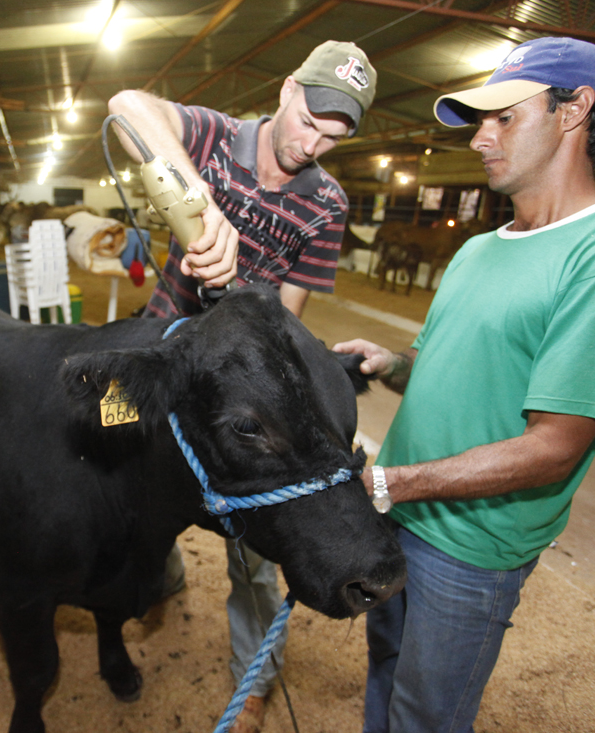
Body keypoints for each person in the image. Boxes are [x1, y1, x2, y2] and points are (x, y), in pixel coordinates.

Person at [331, 37, 595, 733]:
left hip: (469, 549)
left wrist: (392, 483)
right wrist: (391, 362)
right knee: (387, 674)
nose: (481, 139)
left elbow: (554, 448)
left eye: (504, 118)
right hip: (400, 516)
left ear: (573, 111)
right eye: (479, 121)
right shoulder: (477, 249)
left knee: (425, 713)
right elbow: (444, 365)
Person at [108, 40, 377, 732]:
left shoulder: (326, 203)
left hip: (244, 392)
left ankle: (252, 677)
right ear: (288, 89)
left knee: (258, 545)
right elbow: (127, 105)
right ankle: (160, 572)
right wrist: (200, 200)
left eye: (332, 137)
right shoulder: (216, 139)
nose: (312, 143)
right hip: (168, 353)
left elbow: (287, 323)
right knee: (136, 485)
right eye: (309, 120)